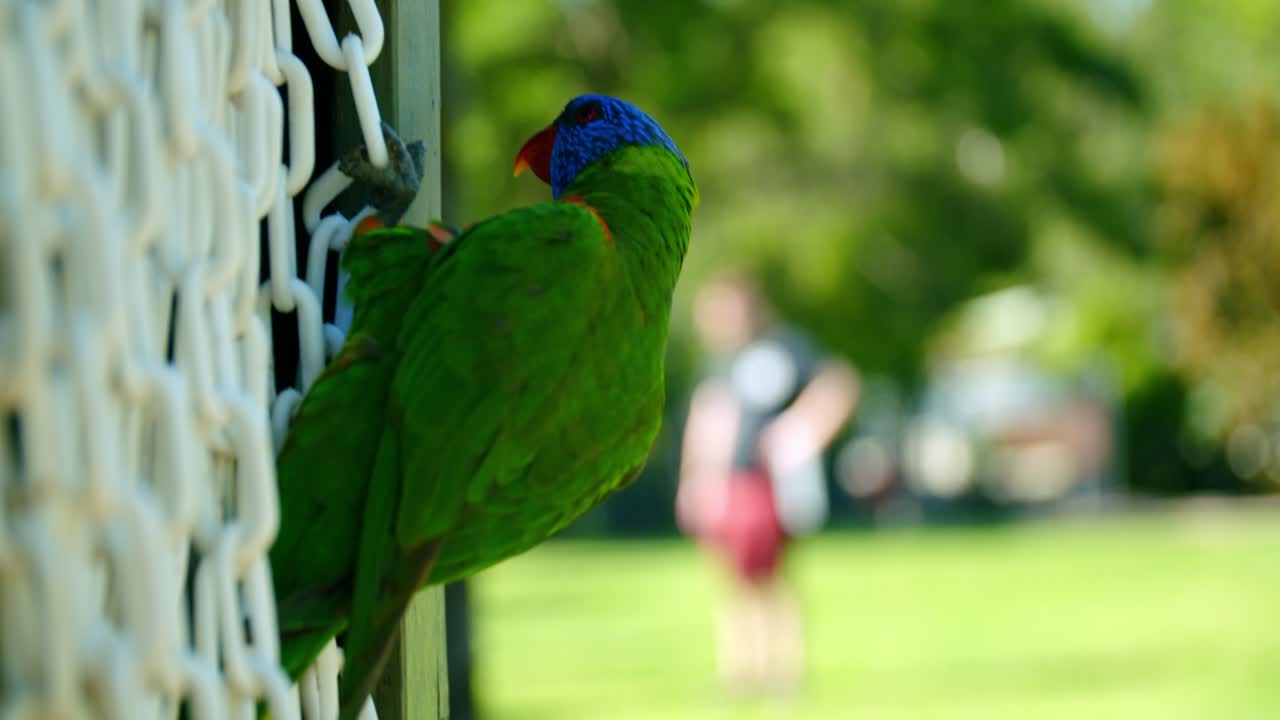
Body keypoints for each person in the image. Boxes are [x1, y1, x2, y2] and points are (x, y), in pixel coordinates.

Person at [676, 274, 859, 694]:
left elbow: (837, 384)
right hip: (728, 485)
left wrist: (803, 432)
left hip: (768, 485)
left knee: (773, 578)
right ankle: (741, 669)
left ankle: (785, 672)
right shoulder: (719, 362)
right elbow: (707, 419)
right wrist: (695, 477)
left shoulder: (785, 348)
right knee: (731, 579)